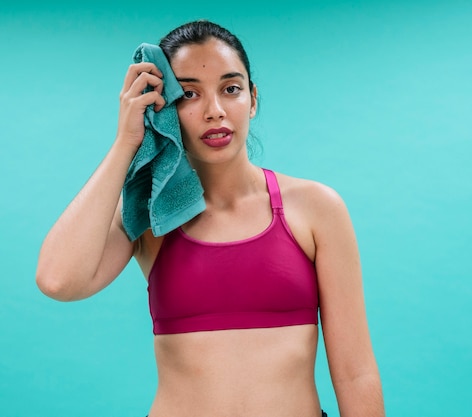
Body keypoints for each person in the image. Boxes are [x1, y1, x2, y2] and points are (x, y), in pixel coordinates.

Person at [36, 19, 384, 417]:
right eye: (187, 94)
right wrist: (126, 142)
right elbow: (57, 280)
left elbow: (356, 373)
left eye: (231, 89)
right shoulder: (152, 215)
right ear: (162, 108)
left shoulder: (317, 208)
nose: (214, 111)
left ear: (252, 99)